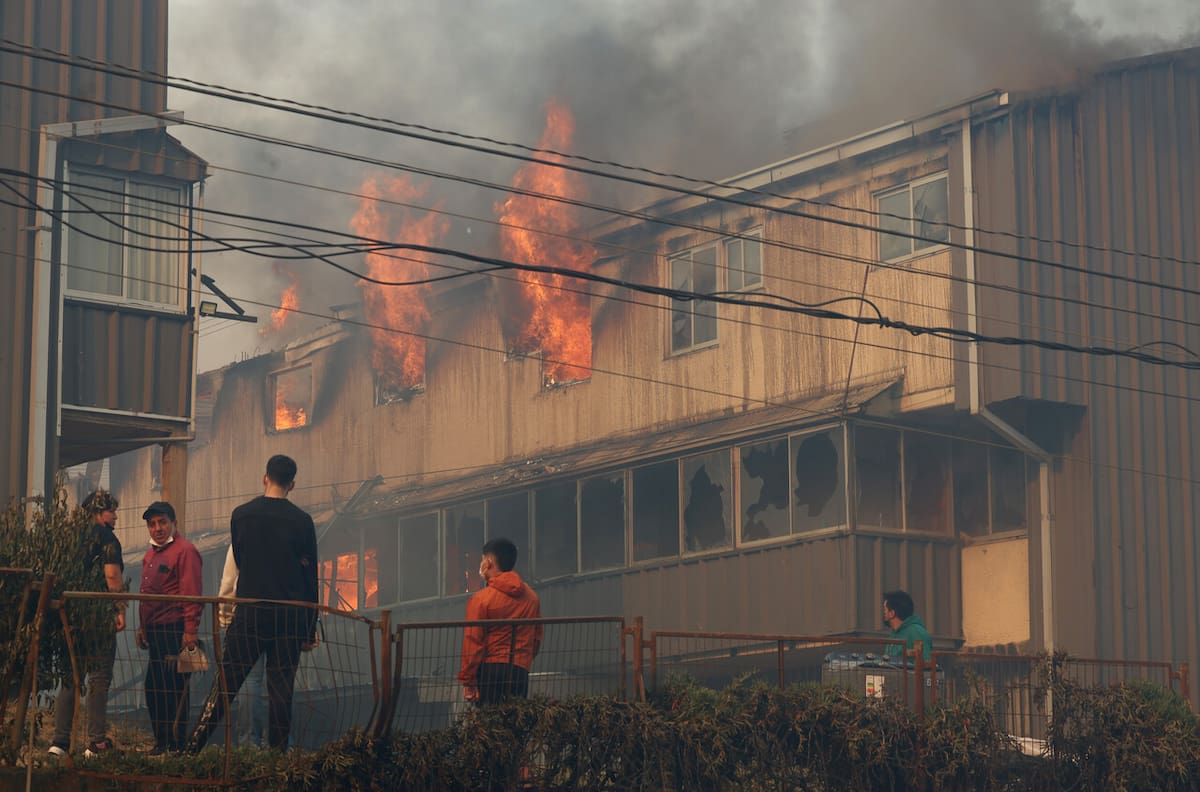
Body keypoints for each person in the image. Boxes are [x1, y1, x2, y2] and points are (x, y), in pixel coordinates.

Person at [188, 455, 318, 752]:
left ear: (265, 478)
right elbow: (311, 576)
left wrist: (227, 612)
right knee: (281, 687)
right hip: (289, 615)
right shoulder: (302, 521)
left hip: (250, 612)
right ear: (292, 484)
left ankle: (192, 748)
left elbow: (241, 560)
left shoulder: (241, 515)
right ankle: (277, 754)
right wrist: (310, 628)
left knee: (226, 684)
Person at [49, 490, 126, 759]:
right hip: (97, 617)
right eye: (111, 511)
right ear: (98, 512)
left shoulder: (69, 536)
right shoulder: (107, 539)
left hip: (69, 616)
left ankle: (59, 743)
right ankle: (96, 743)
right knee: (99, 678)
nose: (115, 517)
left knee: (71, 678)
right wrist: (119, 609)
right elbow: (112, 575)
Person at [134, 501, 202, 755]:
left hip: (175, 629)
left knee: (174, 687)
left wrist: (190, 631)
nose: (157, 528)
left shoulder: (185, 551)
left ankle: (175, 743)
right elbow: (146, 595)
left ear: (173, 523)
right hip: (155, 630)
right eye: (152, 524)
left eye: (162, 522)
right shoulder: (150, 555)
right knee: (155, 687)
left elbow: (192, 593)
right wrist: (142, 627)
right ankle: (162, 741)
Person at [459, 538, 542, 705]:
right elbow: (536, 637)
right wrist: (523, 660)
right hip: (520, 671)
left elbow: (473, 641)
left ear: (488, 562)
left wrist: (468, 680)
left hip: (490, 671)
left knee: (490, 725)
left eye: (482, 559)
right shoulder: (532, 598)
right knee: (514, 723)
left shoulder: (481, 600)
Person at [217, 545, 267, 747]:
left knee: (250, 680)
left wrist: (225, 619)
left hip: (248, 618)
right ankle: (281, 744)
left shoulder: (242, 537)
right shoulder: (288, 532)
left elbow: (230, 583)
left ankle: (249, 743)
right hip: (284, 617)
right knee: (280, 683)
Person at [882, 590, 933, 662]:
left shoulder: (917, 633)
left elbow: (926, 666)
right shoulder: (894, 634)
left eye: (885, 610)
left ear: (892, 613)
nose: (884, 614)